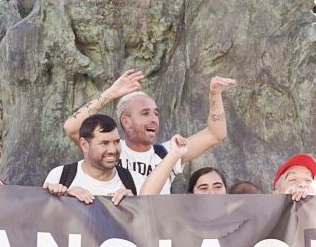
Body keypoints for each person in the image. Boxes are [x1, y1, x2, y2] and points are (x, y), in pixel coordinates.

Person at [61, 68, 236, 191]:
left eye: (156, 113)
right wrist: (111, 94)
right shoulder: (110, 152)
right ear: (126, 121)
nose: (154, 119)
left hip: (156, 236)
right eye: (145, 113)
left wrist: (214, 95)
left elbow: (215, 134)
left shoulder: (169, 152)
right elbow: (71, 128)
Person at [45, 113, 137, 202]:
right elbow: (43, 216)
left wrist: (134, 205)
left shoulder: (135, 180)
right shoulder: (60, 176)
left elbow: (145, 217)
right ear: (84, 145)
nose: (112, 150)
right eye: (104, 143)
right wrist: (64, 199)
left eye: (116, 141)